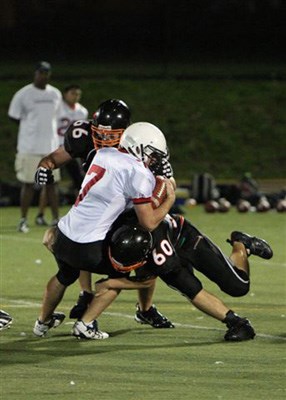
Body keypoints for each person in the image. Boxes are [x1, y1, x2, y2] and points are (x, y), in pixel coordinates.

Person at [34, 99, 174, 329]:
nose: (105, 139)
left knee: (142, 248)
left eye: (112, 135)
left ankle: (145, 309)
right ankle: (87, 298)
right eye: (100, 133)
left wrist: (162, 177)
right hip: (96, 207)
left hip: (130, 210)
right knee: (101, 255)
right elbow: (52, 159)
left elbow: (160, 175)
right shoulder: (84, 136)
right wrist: (44, 167)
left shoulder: (139, 142)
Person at [74, 209, 273, 342]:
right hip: (150, 241)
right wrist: (88, 290)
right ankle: (146, 311)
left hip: (186, 240)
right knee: (139, 270)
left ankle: (241, 244)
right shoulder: (112, 229)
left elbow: (147, 282)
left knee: (237, 287)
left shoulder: (161, 258)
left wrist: (110, 283)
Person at [8, 61, 62, 233]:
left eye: (46, 73)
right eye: (41, 73)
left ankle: (56, 220)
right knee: (29, 184)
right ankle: (23, 220)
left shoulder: (55, 94)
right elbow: (14, 116)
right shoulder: (23, 94)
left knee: (52, 185)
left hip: (51, 148)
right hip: (29, 147)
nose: (43, 76)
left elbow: (57, 117)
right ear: (35, 74)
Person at [36, 84, 89, 226]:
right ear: (65, 94)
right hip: (56, 149)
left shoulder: (82, 111)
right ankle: (41, 214)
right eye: (72, 93)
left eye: (78, 94)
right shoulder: (57, 107)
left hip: (72, 151)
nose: (75, 96)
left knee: (82, 182)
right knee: (50, 182)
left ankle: (84, 213)